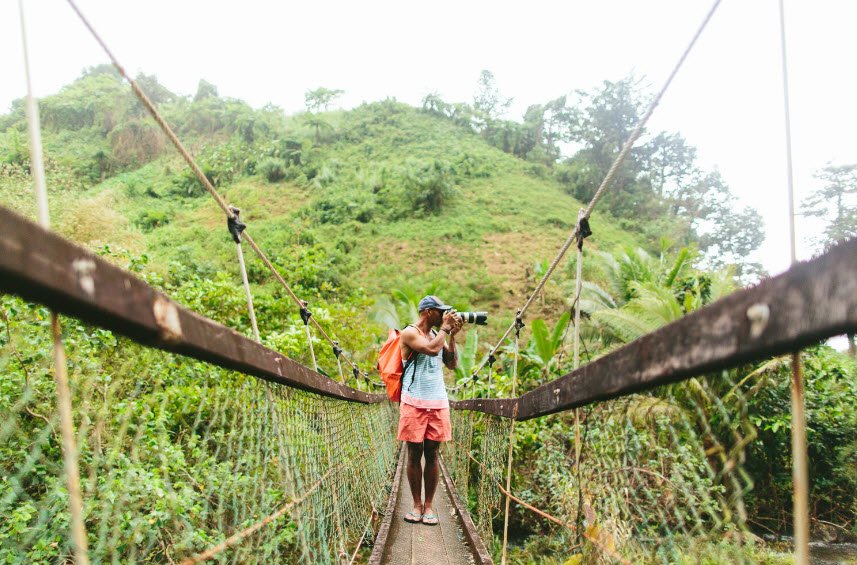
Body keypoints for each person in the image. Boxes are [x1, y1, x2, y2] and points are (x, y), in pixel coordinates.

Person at [397, 295, 462, 526]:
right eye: (439, 311)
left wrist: (451, 336)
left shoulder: (438, 335)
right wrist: (445, 328)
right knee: (414, 455)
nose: (444, 315)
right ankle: (416, 505)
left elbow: (452, 363)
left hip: (437, 402)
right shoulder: (410, 333)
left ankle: (429, 506)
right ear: (427, 312)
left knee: (432, 455)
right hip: (414, 402)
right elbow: (431, 351)